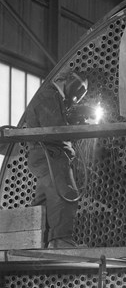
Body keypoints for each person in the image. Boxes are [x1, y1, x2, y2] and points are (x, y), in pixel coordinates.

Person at [23, 70, 88, 248]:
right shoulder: (49, 95)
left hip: (45, 156)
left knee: (44, 201)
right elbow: (55, 130)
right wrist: (76, 128)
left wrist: (71, 122)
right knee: (66, 194)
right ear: (69, 82)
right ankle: (60, 240)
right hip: (52, 155)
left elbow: (54, 124)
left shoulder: (51, 97)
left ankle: (32, 241)